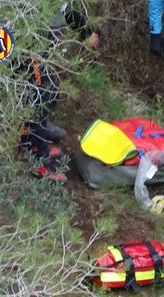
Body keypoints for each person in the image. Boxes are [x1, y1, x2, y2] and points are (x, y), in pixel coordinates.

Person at [17, 3, 99, 181]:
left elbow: (63, 6)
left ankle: (35, 133)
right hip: (27, 33)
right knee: (40, 93)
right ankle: (35, 153)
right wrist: (84, 31)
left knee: (48, 89)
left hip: (38, 32)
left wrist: (83, 29)